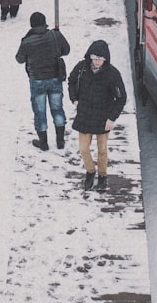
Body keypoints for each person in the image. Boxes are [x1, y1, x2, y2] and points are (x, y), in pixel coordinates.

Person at [68, 40, 127, 191]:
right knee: (83, 148)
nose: (97, 62)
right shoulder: (82, 68)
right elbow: (71, 81)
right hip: (85, 114)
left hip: (103, 117)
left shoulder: (112, 74)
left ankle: (102, 176)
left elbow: (121, 97)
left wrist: (112, 118)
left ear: (105, 59)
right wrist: (74, 99)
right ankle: (90, 171)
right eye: (94, 58)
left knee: (102, 150)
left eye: (100, 59)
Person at [15, 12, 71, 151]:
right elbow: (67, 50)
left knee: (40, 111)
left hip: (37, 80)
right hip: (55, 77)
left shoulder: (27, 41)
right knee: (57, 108)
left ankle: (44, 142)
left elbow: (19, 59)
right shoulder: (54, 35)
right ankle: (60, 141)